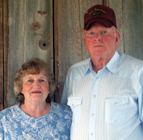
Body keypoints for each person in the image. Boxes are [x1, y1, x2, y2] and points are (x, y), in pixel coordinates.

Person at [60, 4, 143, 140]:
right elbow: (64, 119)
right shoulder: (74, 74)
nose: (97, 38)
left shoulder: (138, 71)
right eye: (91, 33)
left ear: (116, 38)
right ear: (85, 40)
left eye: (104, 32)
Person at [0, 58, 72, 140]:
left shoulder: (66, 115)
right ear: (21, 88)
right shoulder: (5, 119)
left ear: (49, 87)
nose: (36, 85)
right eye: (30, 80)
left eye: (41, 80)